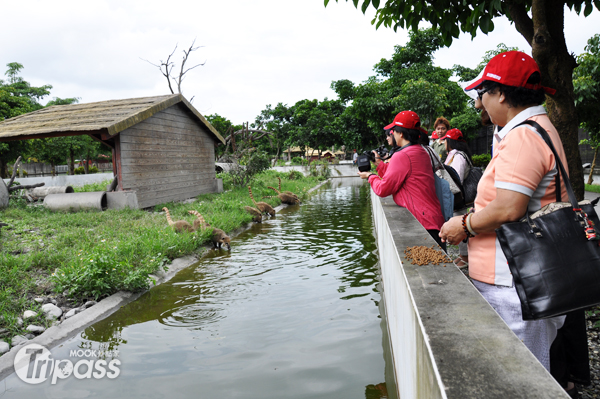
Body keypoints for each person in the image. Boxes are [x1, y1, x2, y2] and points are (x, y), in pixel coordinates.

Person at [439, 51, 571, 376]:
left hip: (514, 282)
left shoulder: (524, 134)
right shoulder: (532, 128)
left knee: (518, 375)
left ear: (500, 93)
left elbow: (509, 208)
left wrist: (464, 225)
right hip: (519, 277)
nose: (480, 103)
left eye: (482, 94)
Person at [358, 110, 445, 250]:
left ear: (401, 134)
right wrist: (379, 164)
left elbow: (383, 188)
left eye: (394, 131)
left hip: (423, 223)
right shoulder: (420, 150)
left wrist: (370, 176)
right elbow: (398, 176)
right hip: (433, 219)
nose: (392, 134)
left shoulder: (403, 155)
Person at [440, 128, 472, 268]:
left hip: (458, 197)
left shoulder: (458, 156)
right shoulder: (454, 155)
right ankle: (462, 255)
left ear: (449, 141)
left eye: (445, 140)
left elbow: (457, 177)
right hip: (456, 196)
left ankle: (466, 257)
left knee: (461, 226)